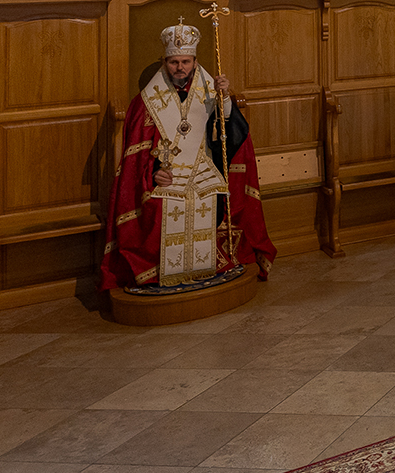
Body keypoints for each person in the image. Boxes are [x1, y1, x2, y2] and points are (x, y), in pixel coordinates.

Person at [101, 21, 276, 290]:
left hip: (204, 168)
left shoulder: (211, 92)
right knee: (158, 205)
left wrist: (225, 97)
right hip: (166, 175)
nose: (180, 67)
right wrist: (153, 172)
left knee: (215, 196)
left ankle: (210, 264)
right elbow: (135, 157)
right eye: (174, 62)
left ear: (195, 61)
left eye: (185, 61)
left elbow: (233, 135)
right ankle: (160, 271)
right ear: (165, 61)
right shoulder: (145, 101)